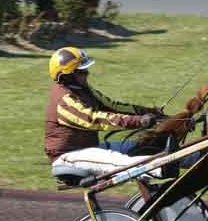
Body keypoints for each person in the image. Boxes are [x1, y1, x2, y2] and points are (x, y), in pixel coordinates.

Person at [44, 46, 167, 178]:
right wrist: (139, 121)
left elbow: (112, 106)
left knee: (150, 146)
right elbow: (94, 119)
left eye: (86, 69)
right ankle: (163, 169)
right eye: (81, 71)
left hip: (89, 149)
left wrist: (149, 112)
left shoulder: (83, 89)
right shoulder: (64, 100)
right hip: (68, 156)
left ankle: (189, 161)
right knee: (125, 163)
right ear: (67, 76)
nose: (87, 73)